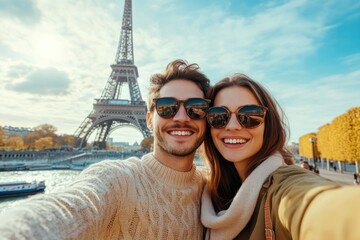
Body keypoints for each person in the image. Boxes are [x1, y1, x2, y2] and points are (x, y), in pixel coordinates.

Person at [0, 59, 211, 239]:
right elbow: (75, 205)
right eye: (167, 107)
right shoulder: (117, 179)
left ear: (207, 118)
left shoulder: (212, 188)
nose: (182, 117)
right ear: (148, 119)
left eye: (196, 108)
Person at [200, 73, 360, 239]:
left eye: (249, 115)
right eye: (218, 116)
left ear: (269, 125)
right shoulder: (207, 192)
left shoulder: (283, 184)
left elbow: (315, 206)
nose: (232, 126)